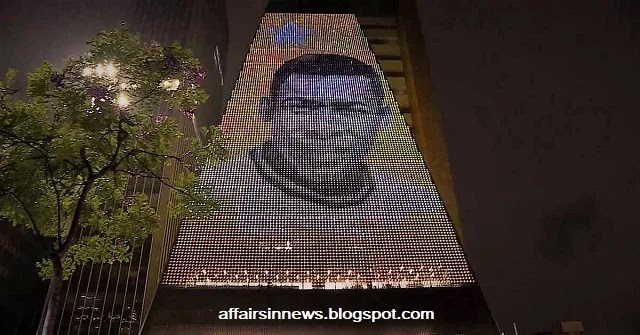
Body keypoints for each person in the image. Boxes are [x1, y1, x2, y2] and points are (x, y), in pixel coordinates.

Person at [171, 54, 465, 288]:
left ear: (383, 119)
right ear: (266, 111)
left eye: (350, 110)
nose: (324, 128)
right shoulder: (211, 189)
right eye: (300, 107)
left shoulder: (418, 206)